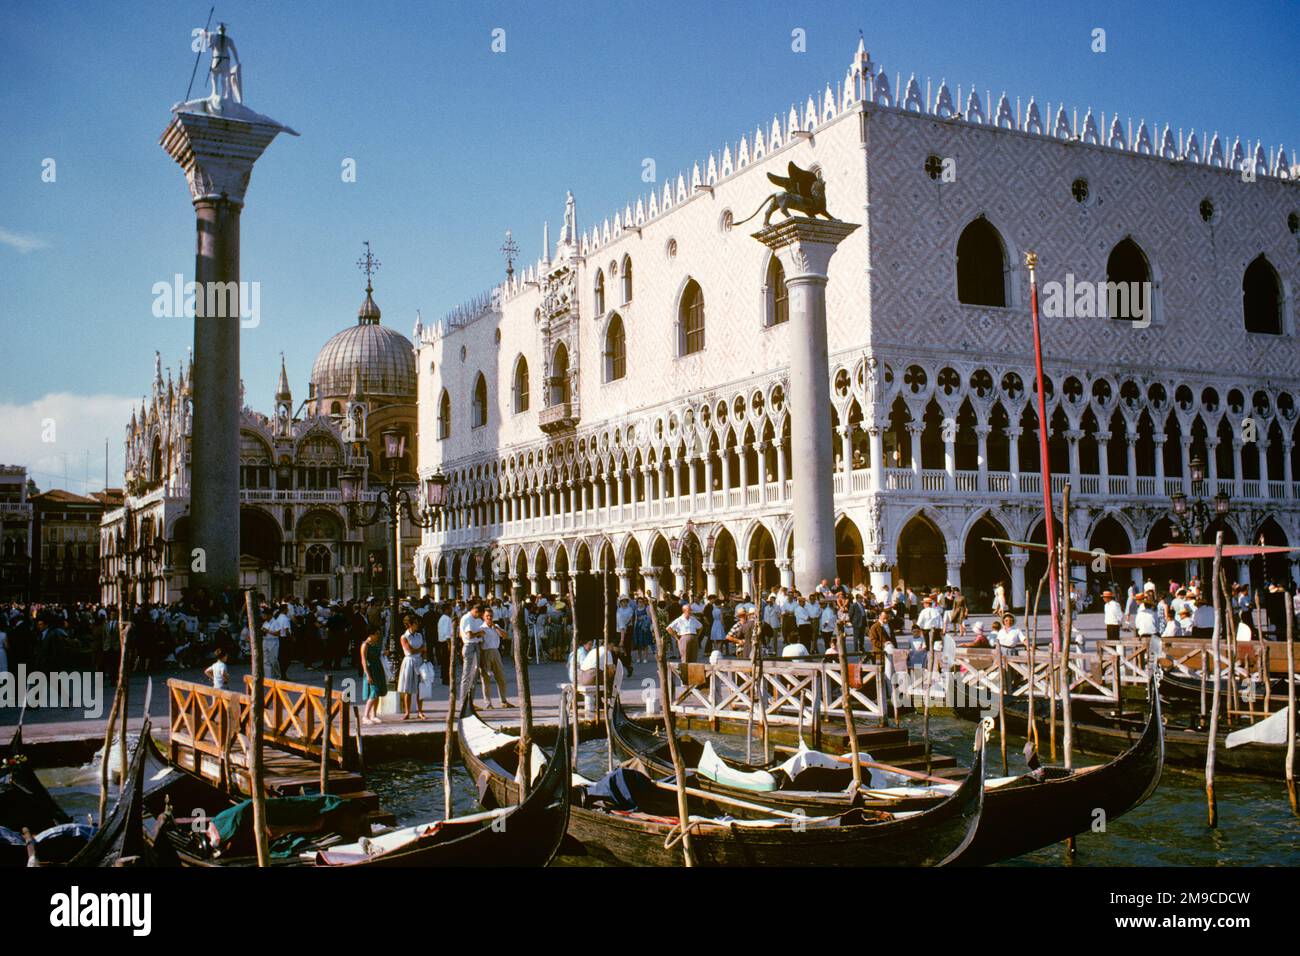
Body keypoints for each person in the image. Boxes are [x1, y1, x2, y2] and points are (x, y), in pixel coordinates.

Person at [477, 608, 513, 709]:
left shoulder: (496, 626)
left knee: (500, 677)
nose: (489, 618)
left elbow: (505, 636)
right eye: (487, 616)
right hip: (485, 652)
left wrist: (496, 628)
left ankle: (503, 700)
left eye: (491, 616)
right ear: (483, 617)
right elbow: (479, 642)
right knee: (486, 679)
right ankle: (488, 703)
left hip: (496, 651)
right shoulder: (481, 628)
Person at [396, 614, 428, 720]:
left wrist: (424, 658)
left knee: (420, 688)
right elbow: (410, 650)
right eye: (415, 623)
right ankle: (407, 712)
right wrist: (421, 649)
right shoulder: (404, 637)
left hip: (419, 661)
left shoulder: (419, 635)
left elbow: (424, 649)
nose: (417, 625)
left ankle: (420, 711)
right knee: (408, 689)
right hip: (409, 661)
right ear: (409, 624)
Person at [360, 627, 386, 725]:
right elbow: (363, 661)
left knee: (377, 692)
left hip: (378, 669)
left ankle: (373, 715)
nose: (378, 636)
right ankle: (365, 716)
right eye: (376, 634)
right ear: (371, 634)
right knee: (373, 692)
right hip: (371, 670)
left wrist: (384, 653)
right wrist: (368, 675)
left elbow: (378, 654)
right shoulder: (365, 645)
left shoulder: (375, 644)